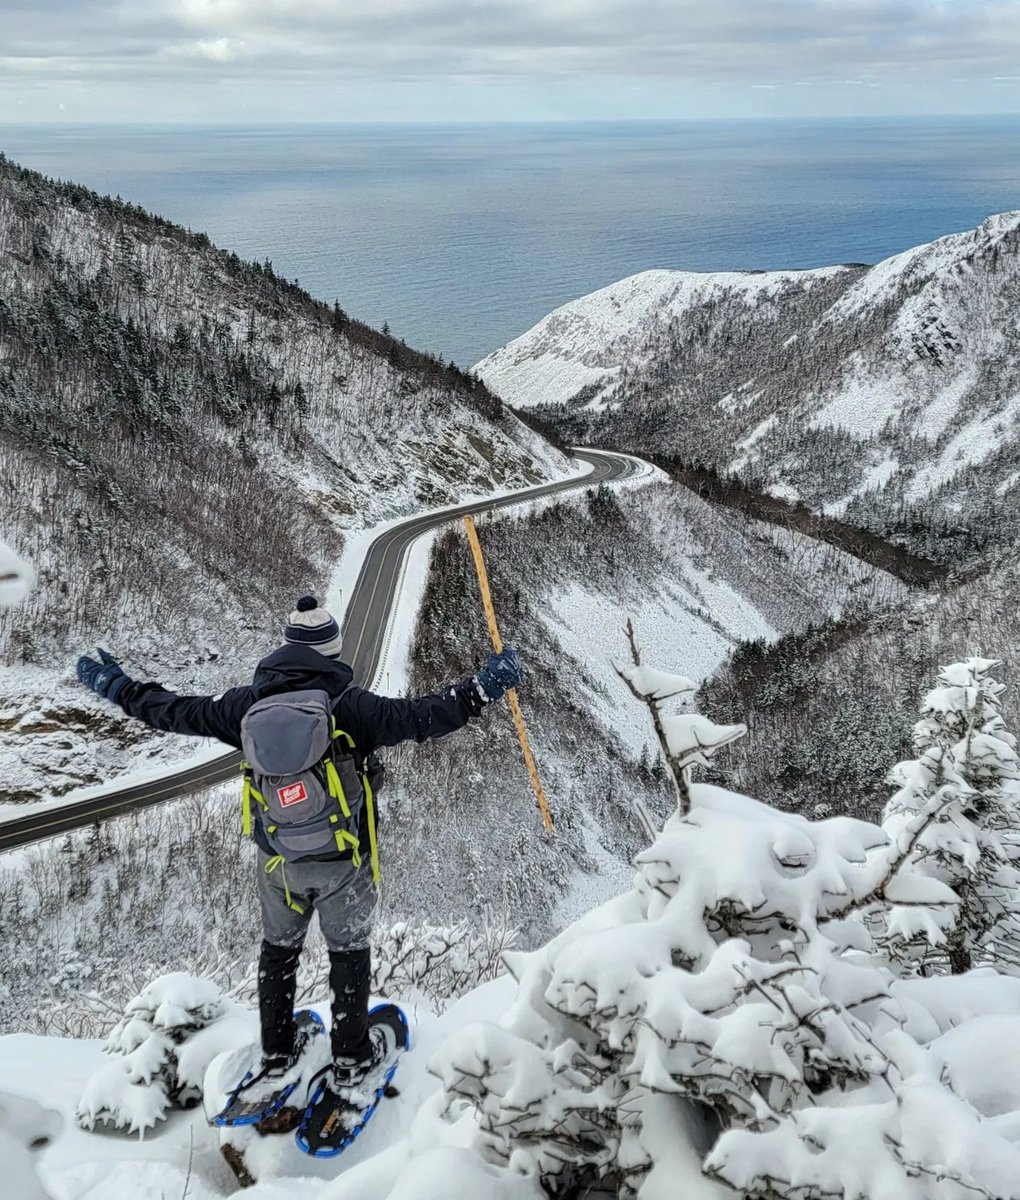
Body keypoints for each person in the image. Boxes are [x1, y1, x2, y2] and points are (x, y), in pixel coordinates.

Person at [76, 594, 524, 1104]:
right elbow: (424, 716)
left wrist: (117, 686)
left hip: (278, 862)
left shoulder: (243, 707)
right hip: (344, 861)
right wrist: (484, 687)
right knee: (348, 954)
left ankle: (276, 1052)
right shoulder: (351, 707)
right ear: (331, 652)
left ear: (285, 648)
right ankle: (351, 1057)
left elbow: (173, 711)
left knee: (278, 952)